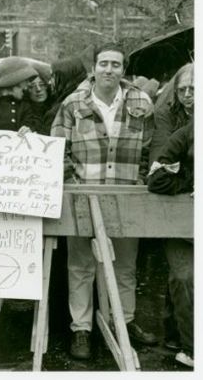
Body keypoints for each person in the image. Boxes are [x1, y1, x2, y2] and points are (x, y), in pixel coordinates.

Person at [50, 43, 158, 360]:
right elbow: (58, 149)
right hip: (83, 195)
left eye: (115, 64)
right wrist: (74, 184)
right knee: (81, 265)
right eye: (103, 63)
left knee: (124, 265)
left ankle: (123, 321)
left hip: (127, 196)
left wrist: (140, 181)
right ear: (93, 68)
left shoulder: (141, 101)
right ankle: (81, 329)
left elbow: (151, 148)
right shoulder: (72, 103)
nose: (108, 70)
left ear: (123, 70)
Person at [147, 63, 194, 367]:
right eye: (183, 90)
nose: (189, 95)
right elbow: (158, 171)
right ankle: (190, 346)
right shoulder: (173, 121)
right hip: (177, 209)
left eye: (195, 90)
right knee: (184, 276)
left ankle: (179, 335)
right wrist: (191, 180)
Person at [0, 56, 39, 153]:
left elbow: (31, 129)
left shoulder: (24, 106)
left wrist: (29, 132)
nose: (27, 86)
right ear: (14, 81)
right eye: (25, 80)